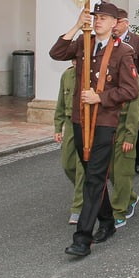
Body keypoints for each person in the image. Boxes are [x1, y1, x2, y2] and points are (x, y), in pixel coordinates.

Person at [49, 1, 139, 258]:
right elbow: (56, 53)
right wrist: (77, 25)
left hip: (104, 122)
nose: (98, 21)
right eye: (96, 17)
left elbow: (131, 90)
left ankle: (82, 239)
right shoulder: (84, 43)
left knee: (94, 178)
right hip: (80, 119)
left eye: (104, 18)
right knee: (92, 174)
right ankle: (107, 220)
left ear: (114, 23)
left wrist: (100, 97)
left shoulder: (123, 52)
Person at [114, 8, 139, 174]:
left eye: (118, 22)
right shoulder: (110, 40)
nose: (115, 25)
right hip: (116, 88)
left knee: (136, 126)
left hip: (134, 87)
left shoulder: (138, 41)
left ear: (126, 23)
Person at [110, 71, 139, 228]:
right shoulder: (107, 72)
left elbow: (134, 110)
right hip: (108, 128)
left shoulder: (132, 77)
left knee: (122, 173)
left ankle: (119, 212)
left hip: (124, 128)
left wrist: (130, 136)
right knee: (111, 172)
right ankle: (129, 197)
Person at [54, 61, 84, 224]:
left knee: (81, 168)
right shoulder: (67, 75)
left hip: (86, 123)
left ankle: (78, 207)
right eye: (73, 58)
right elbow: (61, 102)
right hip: (70, 123)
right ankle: (85, 189)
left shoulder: (90, 75)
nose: (75, 61)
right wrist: (58, 127)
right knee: (67, 164)